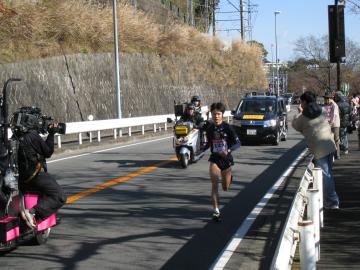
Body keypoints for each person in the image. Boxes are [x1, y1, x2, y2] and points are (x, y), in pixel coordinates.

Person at [12, 107, 66, 228]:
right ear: (31, 121)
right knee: (60, 196)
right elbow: (47, 152)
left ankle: (30, 214)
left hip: (21, 179)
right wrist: (51, 133)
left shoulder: (15, 136)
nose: (39, 123)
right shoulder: (32, 136)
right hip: (34, 176)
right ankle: (33, 212)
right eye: (37, 120)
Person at [292, 91, 339, 209]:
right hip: (329, 144)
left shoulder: (303, 117)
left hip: (319, 149)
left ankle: (333, 202)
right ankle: (330, 200)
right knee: (329, 174)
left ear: (305, 102)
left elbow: (296, 125)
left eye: (301, 101)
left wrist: (299, 113)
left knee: (326, 175)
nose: (300, 103)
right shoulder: (322, 110)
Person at [203, 102, 241, 221]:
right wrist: (201, 148)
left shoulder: (228, 128)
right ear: (211, 115)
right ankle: (216, 211)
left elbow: (238, 143)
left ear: (222, 115)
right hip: (215, 158)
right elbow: (208, 144)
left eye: (218, 114)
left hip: (226, 159)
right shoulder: (209, 129)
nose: (216, 116)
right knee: (214, 185)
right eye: (214, 114)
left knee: (225, 187)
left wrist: (228, 150)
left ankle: (229, 179)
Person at [323, 91, 341, 159]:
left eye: (327, 99)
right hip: (331, 124)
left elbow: (334, 115)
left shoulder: (334, 105)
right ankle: (332, 154)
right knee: (331, 140)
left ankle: (337, 154)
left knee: (336, 139)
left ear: (330, 98)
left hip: (335, 125)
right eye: (325, 99)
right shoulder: (329, 105)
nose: (326, 100)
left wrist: (330, 123)